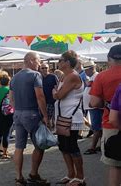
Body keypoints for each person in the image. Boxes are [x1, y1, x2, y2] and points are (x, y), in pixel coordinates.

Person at [10, 52, 48, 185]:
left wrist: (17, 111)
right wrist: (45, 115)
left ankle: (19, 177)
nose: (39, 63)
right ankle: (33, 173)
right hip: (31, 113)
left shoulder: (14, 77)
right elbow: (40, 97)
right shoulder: (35, 75)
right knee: (40, 144)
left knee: (19, 147)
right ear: (31, 60)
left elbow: (11, 99)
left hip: (18, 114)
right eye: (38, 61)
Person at [52, 50, 85, 186]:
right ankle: (71, 174)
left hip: (71, 118)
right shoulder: (63, 76)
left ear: (67, 62)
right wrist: (56, 92)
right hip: (63, 117)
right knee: (63, 147)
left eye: (60, 60)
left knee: (72, 147)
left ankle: (80, 177)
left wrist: (55, 92)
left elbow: (59, 95)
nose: (58, 62)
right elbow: (58, 94)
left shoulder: (72, 76)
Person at [89, 44, 121, 186]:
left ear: (109, 59)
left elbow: (94, 102)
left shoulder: (102, 76)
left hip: (111, 124)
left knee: (114, 165)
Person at [0, 74, 14, 159]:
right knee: (6, 133)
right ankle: (5, 152)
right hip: (7, 113)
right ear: (9, 82)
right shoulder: (9, 90)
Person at [82, 61, 102, 155]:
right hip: (92, 106)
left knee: (96, 127)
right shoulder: (93, 77)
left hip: (95, 106)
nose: (85, 72)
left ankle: (92, 147)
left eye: (86, 70)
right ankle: (102, 145)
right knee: (97, 127)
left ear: (90, 69)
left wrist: (93, 102)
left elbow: (97, 90)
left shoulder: (96, 76)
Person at [40, 62, 59, 131]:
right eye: (43, 68)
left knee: (52, 119)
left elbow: (57, 87)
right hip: (42, 101)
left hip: (52, 101)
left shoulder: (53, 77)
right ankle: (48, 132)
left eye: (46, 68)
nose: (45, 69)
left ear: (48, 68)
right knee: (45, 119)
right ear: (40, 69)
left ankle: (51, 132)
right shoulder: (39, 77)